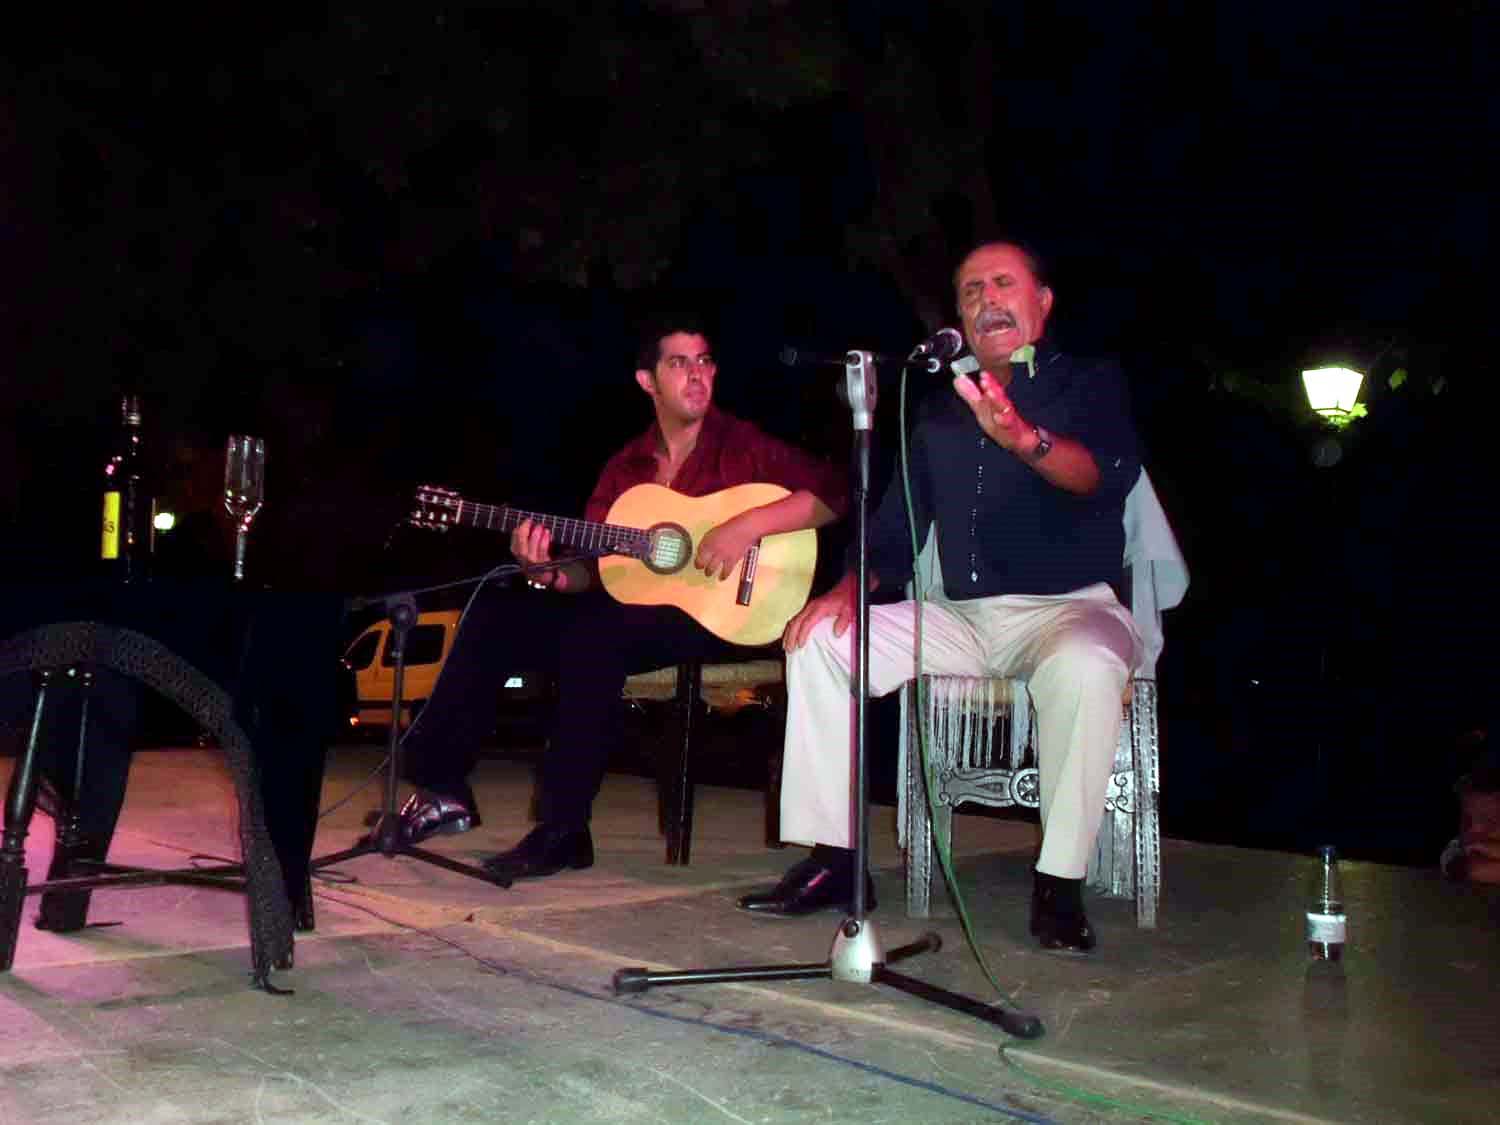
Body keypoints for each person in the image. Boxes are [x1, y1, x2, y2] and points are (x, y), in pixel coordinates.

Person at [740, 241, 1143, 953]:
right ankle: (837, 861)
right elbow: (892, 534)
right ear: (956, 317)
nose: (987, 299)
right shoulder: (936, 414)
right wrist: (846, 589)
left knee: (1087, 664)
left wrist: (1023, 438)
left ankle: (1058, 884)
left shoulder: (1090, 383)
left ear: (1042, 303)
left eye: (1003, 283)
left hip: (1070, 608)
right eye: (970, 291)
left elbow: (1099, 478)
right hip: (962, 615)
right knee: (823, 640)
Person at [394, 317, 846, 881]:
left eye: (704, 361)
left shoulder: (742, 444)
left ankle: (563, 828)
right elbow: (594, 572)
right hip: (638, 613)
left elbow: (835, 493)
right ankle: (442, 786)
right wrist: (548, 575)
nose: (697, 375)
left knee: (595, 634)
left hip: (727, 612)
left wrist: (749, 524)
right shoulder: (626, 468)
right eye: (679, 364)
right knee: (500, 606)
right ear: (647, 381)